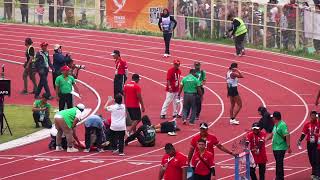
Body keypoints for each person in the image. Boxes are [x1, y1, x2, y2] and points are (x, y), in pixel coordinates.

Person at [267, 111, 292, 180]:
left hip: (281, 147)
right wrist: (265, 140)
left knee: (279, 163)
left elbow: (287, 135)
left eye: (273, 117)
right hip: (275, 147)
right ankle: (279, 177)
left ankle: (279, 178)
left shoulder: (282, 125)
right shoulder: (275, 125)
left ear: (276, 118)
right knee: (278, 163)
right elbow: (272, 135)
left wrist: (288, 146)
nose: (272, 119)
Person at [297, 111, 320, 180]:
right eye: (312, 116)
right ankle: (314, 172)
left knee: (315, 159)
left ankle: (315, 174)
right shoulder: (307, 124)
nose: (313, 117)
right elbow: (304, 133)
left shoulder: (318, 124)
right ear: (310, 116)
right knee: (310, 159)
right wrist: (300, 140)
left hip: (316, 143)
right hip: (309, 143)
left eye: (314, 116)